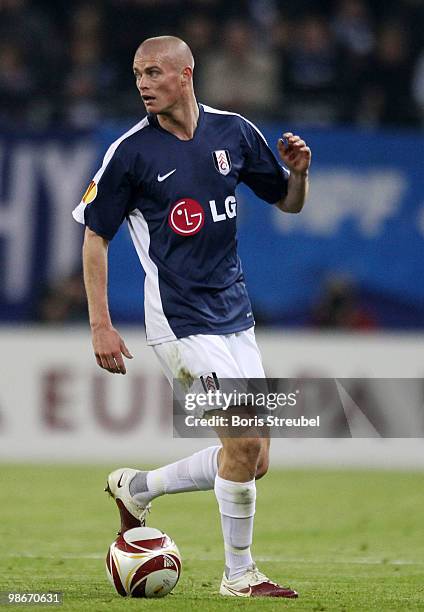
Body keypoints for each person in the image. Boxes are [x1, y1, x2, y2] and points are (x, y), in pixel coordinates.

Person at [73, 35, 311, 598]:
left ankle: (137, 487)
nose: (143, 84)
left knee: (254, 460)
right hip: (180, 322)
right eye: (136, 74)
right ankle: (239, 575)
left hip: (236, 315)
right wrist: (100, 324)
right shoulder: (130, 152)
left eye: (153, 72)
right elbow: (94, 237)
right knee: (244, 442)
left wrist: (298, 173)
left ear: (185, 74)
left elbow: (288, 201)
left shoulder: (234, 132)